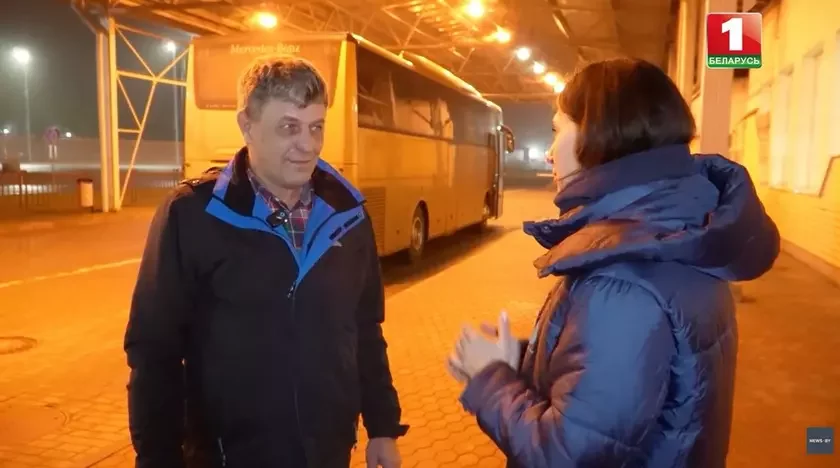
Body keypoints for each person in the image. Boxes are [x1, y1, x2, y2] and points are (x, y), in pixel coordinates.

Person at [446, 57, 780, 467]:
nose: (549, 154)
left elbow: (566, 454)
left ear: (597, 135)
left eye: (556, 131)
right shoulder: (681, 232)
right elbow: (614, 384)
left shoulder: (622, 282)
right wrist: (521, 359)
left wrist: (488, 378)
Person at [125, 55, 408, 468]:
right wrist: (157, 460)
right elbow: (155, 354)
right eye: (289, 127)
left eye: (316, 127)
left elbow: (364, 329)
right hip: (228, 456)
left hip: (328, 452)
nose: (308, 145)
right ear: (247, 125)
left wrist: (382, 425)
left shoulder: (347, 215)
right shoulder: (192, 214)